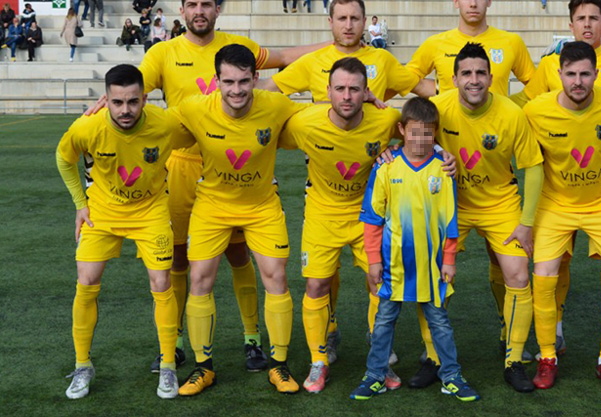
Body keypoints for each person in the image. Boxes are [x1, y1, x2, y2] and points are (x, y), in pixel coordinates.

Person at [134, 0, 326, 374]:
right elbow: (135, 92)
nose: (200, 11)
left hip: (238, 165)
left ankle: (252, 339)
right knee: (181, 259)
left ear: (217, 8)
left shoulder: (237, 50)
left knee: (242, 253)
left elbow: (287, 56)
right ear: (182, 9)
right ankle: (177, 343)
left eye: (207, 4)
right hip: (184, 168)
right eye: (193, 5)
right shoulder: (163, 53)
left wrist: (338, 46)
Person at [523, 0, 601, 365]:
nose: (588, 24)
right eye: (581, 18)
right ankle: (550, 344)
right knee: (549, 271)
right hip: (557, 194)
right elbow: (517, 120)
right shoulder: (541, 89)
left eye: (594, 18)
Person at [56, 64, 193, 400]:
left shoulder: (166, 123)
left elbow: (203, 130)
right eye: (117, 102)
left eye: (133, 101)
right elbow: (63, 158)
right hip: (102, 213)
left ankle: (167, 367)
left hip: (151, 211)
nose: (125, 110)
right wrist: (80, 203)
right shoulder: (87, 127)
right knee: (86, 282)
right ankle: (83, 365)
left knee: (162, 283)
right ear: (106, 99)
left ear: (145, 98)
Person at [173, 44, 303, 396]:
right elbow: (149, 123)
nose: (236, 90)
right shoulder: (194, 108)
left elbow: (320, 118)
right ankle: (204, 368)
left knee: (276, 276)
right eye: (228, 82)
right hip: (212, 205)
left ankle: (278, 366)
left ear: (256, 78)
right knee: (199, 278)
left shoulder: (276, 105)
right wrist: (107, 107)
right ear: (216, 80)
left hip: (261, 205)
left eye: (244, 81)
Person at [279, 57, 403, 394]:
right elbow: (262, 135)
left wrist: (401, 150)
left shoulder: (387, 118)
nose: (346, 96)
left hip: (369, 214)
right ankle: (319, 361)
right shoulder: (304, 124)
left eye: (354, 89)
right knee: (316, 286)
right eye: (340, 89)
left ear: (366, 92)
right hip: (322, 212)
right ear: (327, 91)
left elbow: (421, 129)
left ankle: (378, 361)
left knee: (380, 283)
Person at [425, 42, 543, 393]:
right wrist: (433, 155)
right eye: (466, 74)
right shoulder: (436, 108)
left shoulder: (511, 113)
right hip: (451, 203)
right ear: (453, 78)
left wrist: (527, 222)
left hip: (500, 202)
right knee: (431, 273)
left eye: (480, 73)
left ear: (492, 78)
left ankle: (514, 359)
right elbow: (408, 144)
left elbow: (533, 168)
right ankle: (433, 357)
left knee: (519, 273)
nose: (474, 80)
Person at [350, 97, 479, 403]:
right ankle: (375, 375)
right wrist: (373, 260)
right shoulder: (385, 167)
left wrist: (449, 260)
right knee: (383, 322)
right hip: (394, 264)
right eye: (414, 132)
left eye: (427, 133)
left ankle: (451, 376)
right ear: (401, 129)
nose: (420, 140)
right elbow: (372, 218)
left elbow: (450, 219)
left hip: (431, 265)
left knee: (440, 323)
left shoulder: (443, 169)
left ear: (435, 135)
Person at [406, 0, 536, 107]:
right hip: (450, 126)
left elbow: (536, 84)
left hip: (496, 126)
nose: (473, 4)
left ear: (489, 0)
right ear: (456, 1)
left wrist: (510, 105)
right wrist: (440, 91)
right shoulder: (435, 44)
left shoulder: (512, 42)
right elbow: (406, 78)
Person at [265, 0, 419, 103]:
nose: (348, 26)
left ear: (364, 22)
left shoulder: (383, 59)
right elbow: (267, 87)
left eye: (354, 18)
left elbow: (423, 87)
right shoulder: (313, 61)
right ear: (330, 22)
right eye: (342, 19)